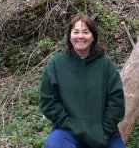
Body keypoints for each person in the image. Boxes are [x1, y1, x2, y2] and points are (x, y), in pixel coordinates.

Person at [39, 14, 125, 148]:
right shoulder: (56, 63)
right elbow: (48, 101)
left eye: (86, 32)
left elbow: (117, 102)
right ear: (69, 36)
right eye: (76, 32)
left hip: (104, 133)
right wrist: (71, 125)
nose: (80, 36)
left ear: (93, 37)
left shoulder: (105, 64)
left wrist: (103, 132)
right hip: (68, 132)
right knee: (55, 144)